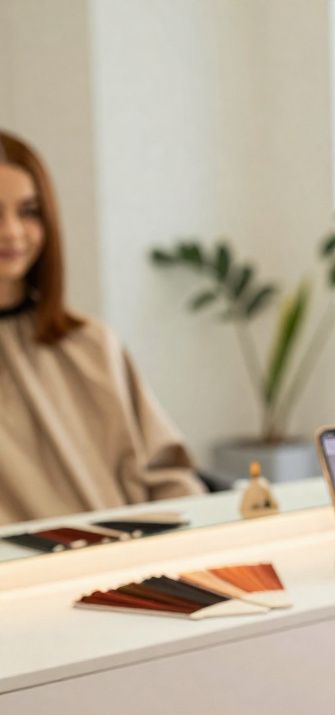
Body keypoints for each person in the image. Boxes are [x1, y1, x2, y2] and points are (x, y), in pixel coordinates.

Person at [0, 130, 203, 524]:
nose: (12, 231)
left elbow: (170, 479)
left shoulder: (90, 343)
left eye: (28, 211)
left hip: (130, 567)